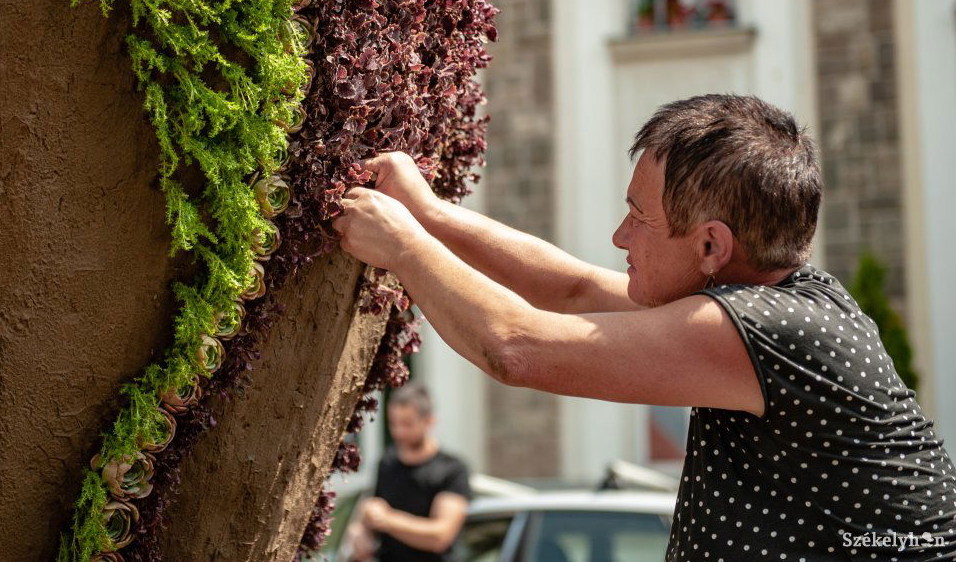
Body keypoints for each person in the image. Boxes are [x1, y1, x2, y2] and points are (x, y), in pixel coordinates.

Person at [333, 93, 956, 560]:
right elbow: (574, 290)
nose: (619, 237)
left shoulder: (765, 328)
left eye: (638, 217)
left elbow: (514, 347)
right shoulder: (780, 302)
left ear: (711, 246)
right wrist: (430, 215)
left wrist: (404, 247)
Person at [344, 383, 471, 562]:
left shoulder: (452, 469)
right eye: (394, 423)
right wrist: (361, 532)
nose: (399, 432)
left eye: (407, 424)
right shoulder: (387, 463)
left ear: (429, 420)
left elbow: (440, 537)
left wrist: (387, 519)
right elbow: (371, 513)